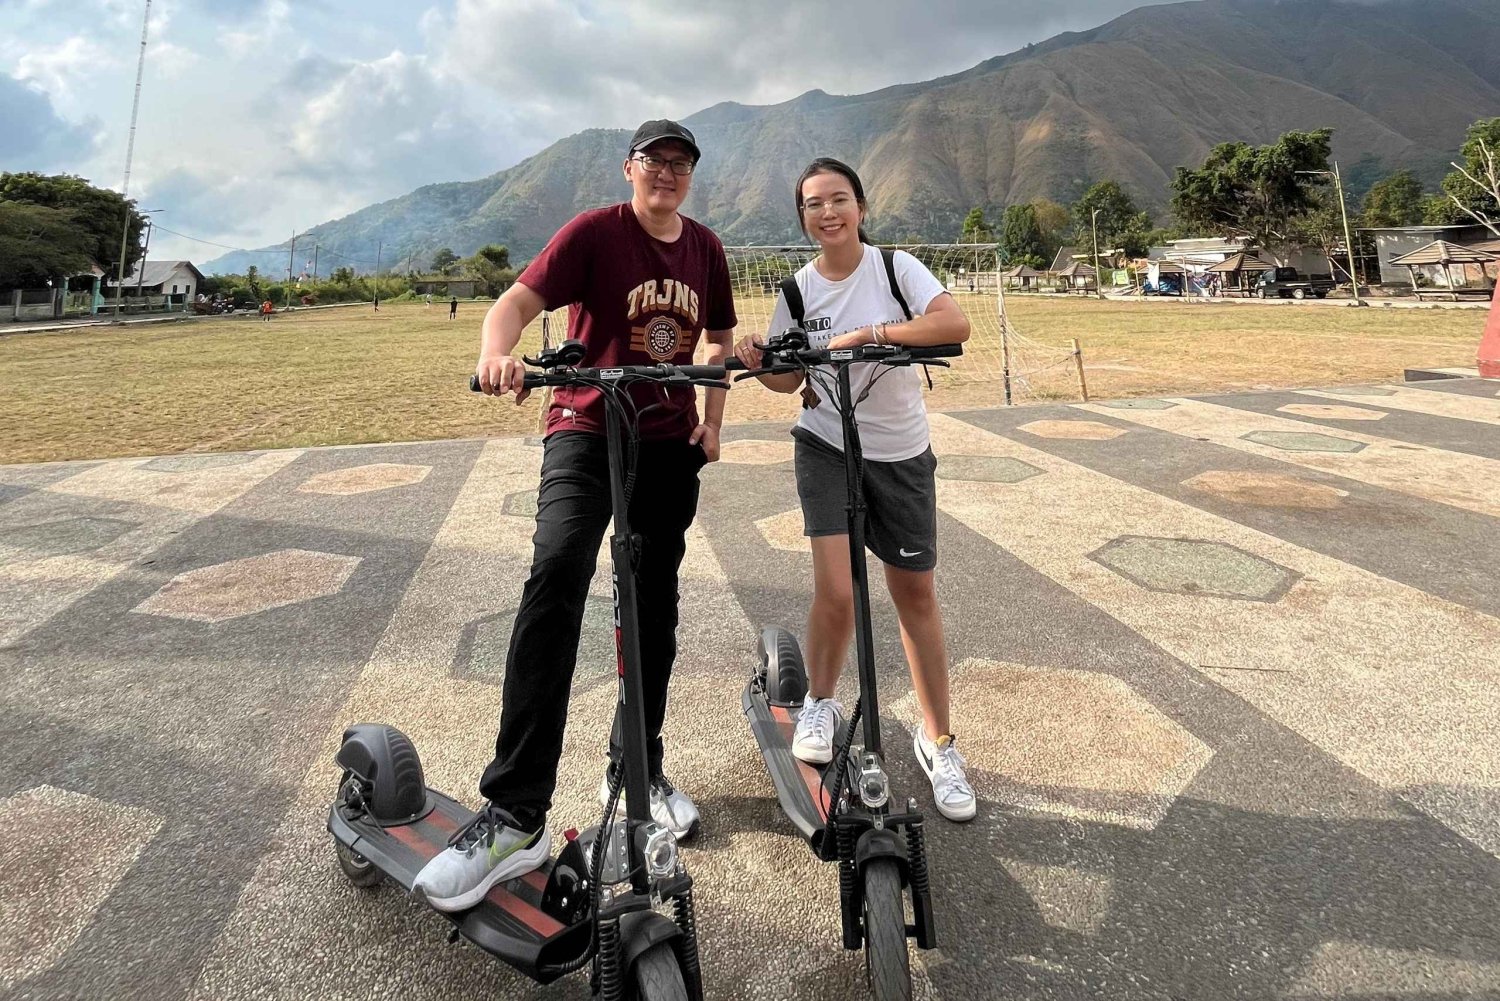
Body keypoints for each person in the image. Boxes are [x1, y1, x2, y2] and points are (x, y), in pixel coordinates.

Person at [412, 119, 736, 912]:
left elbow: (719, 339)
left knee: (653, 602)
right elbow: (515, 303)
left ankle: (638, 768)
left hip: (666, 441)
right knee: (556, 573)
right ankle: (516, 812)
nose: (667, 172)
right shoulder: (594, 232)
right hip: (586, 428)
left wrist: (712, 420)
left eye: (681, 163)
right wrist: (496, 353)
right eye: (654, 160)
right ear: (629, 168)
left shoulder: (705, 248)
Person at [734, 157, 976, 823]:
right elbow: (790, 380)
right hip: (826, 446)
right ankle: (820, 702)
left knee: (914, 593)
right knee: (836, 590)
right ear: (803, 218)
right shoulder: (797, 290)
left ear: (861, 207)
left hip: (899, 453)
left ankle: (939, 740)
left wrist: (870, 334)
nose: (827, 212)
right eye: (813, 204)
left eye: (838, 199)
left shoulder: (896, 269)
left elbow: (953, 325)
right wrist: (761, 362)